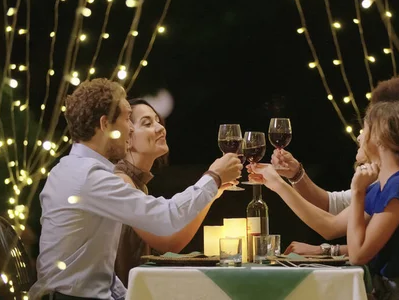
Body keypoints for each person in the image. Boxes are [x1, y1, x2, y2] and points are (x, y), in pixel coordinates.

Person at [29, 78, 242, 300]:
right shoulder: (90, 177)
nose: (130, 128)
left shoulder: (73, 168)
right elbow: (165, 218)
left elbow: (101, 276)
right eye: (126, 119)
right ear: (105, 125)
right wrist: (213, 177)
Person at [251, 101, 399, 299]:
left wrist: (357, 191)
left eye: (364, 129)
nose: (359, 136)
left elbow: (358, 255)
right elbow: (329, 227)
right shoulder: (385, 185)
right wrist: (279, 184)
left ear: (380, 138)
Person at [274, 75, 399, 274]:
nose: (358, 136)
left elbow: (371, 249)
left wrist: (325, 250)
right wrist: (295, 175)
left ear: (386, 134)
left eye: (366, 128)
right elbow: (331, 218)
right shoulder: (389, 182)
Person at [114, 98, 232, 286]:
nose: (161, 128)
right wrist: (212, 178)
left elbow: (173, 240)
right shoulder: (120, 180)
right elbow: (168, 242)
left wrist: (212, 193)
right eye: (147, 123)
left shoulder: (138, 183)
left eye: (158, 121)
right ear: (126, 138)